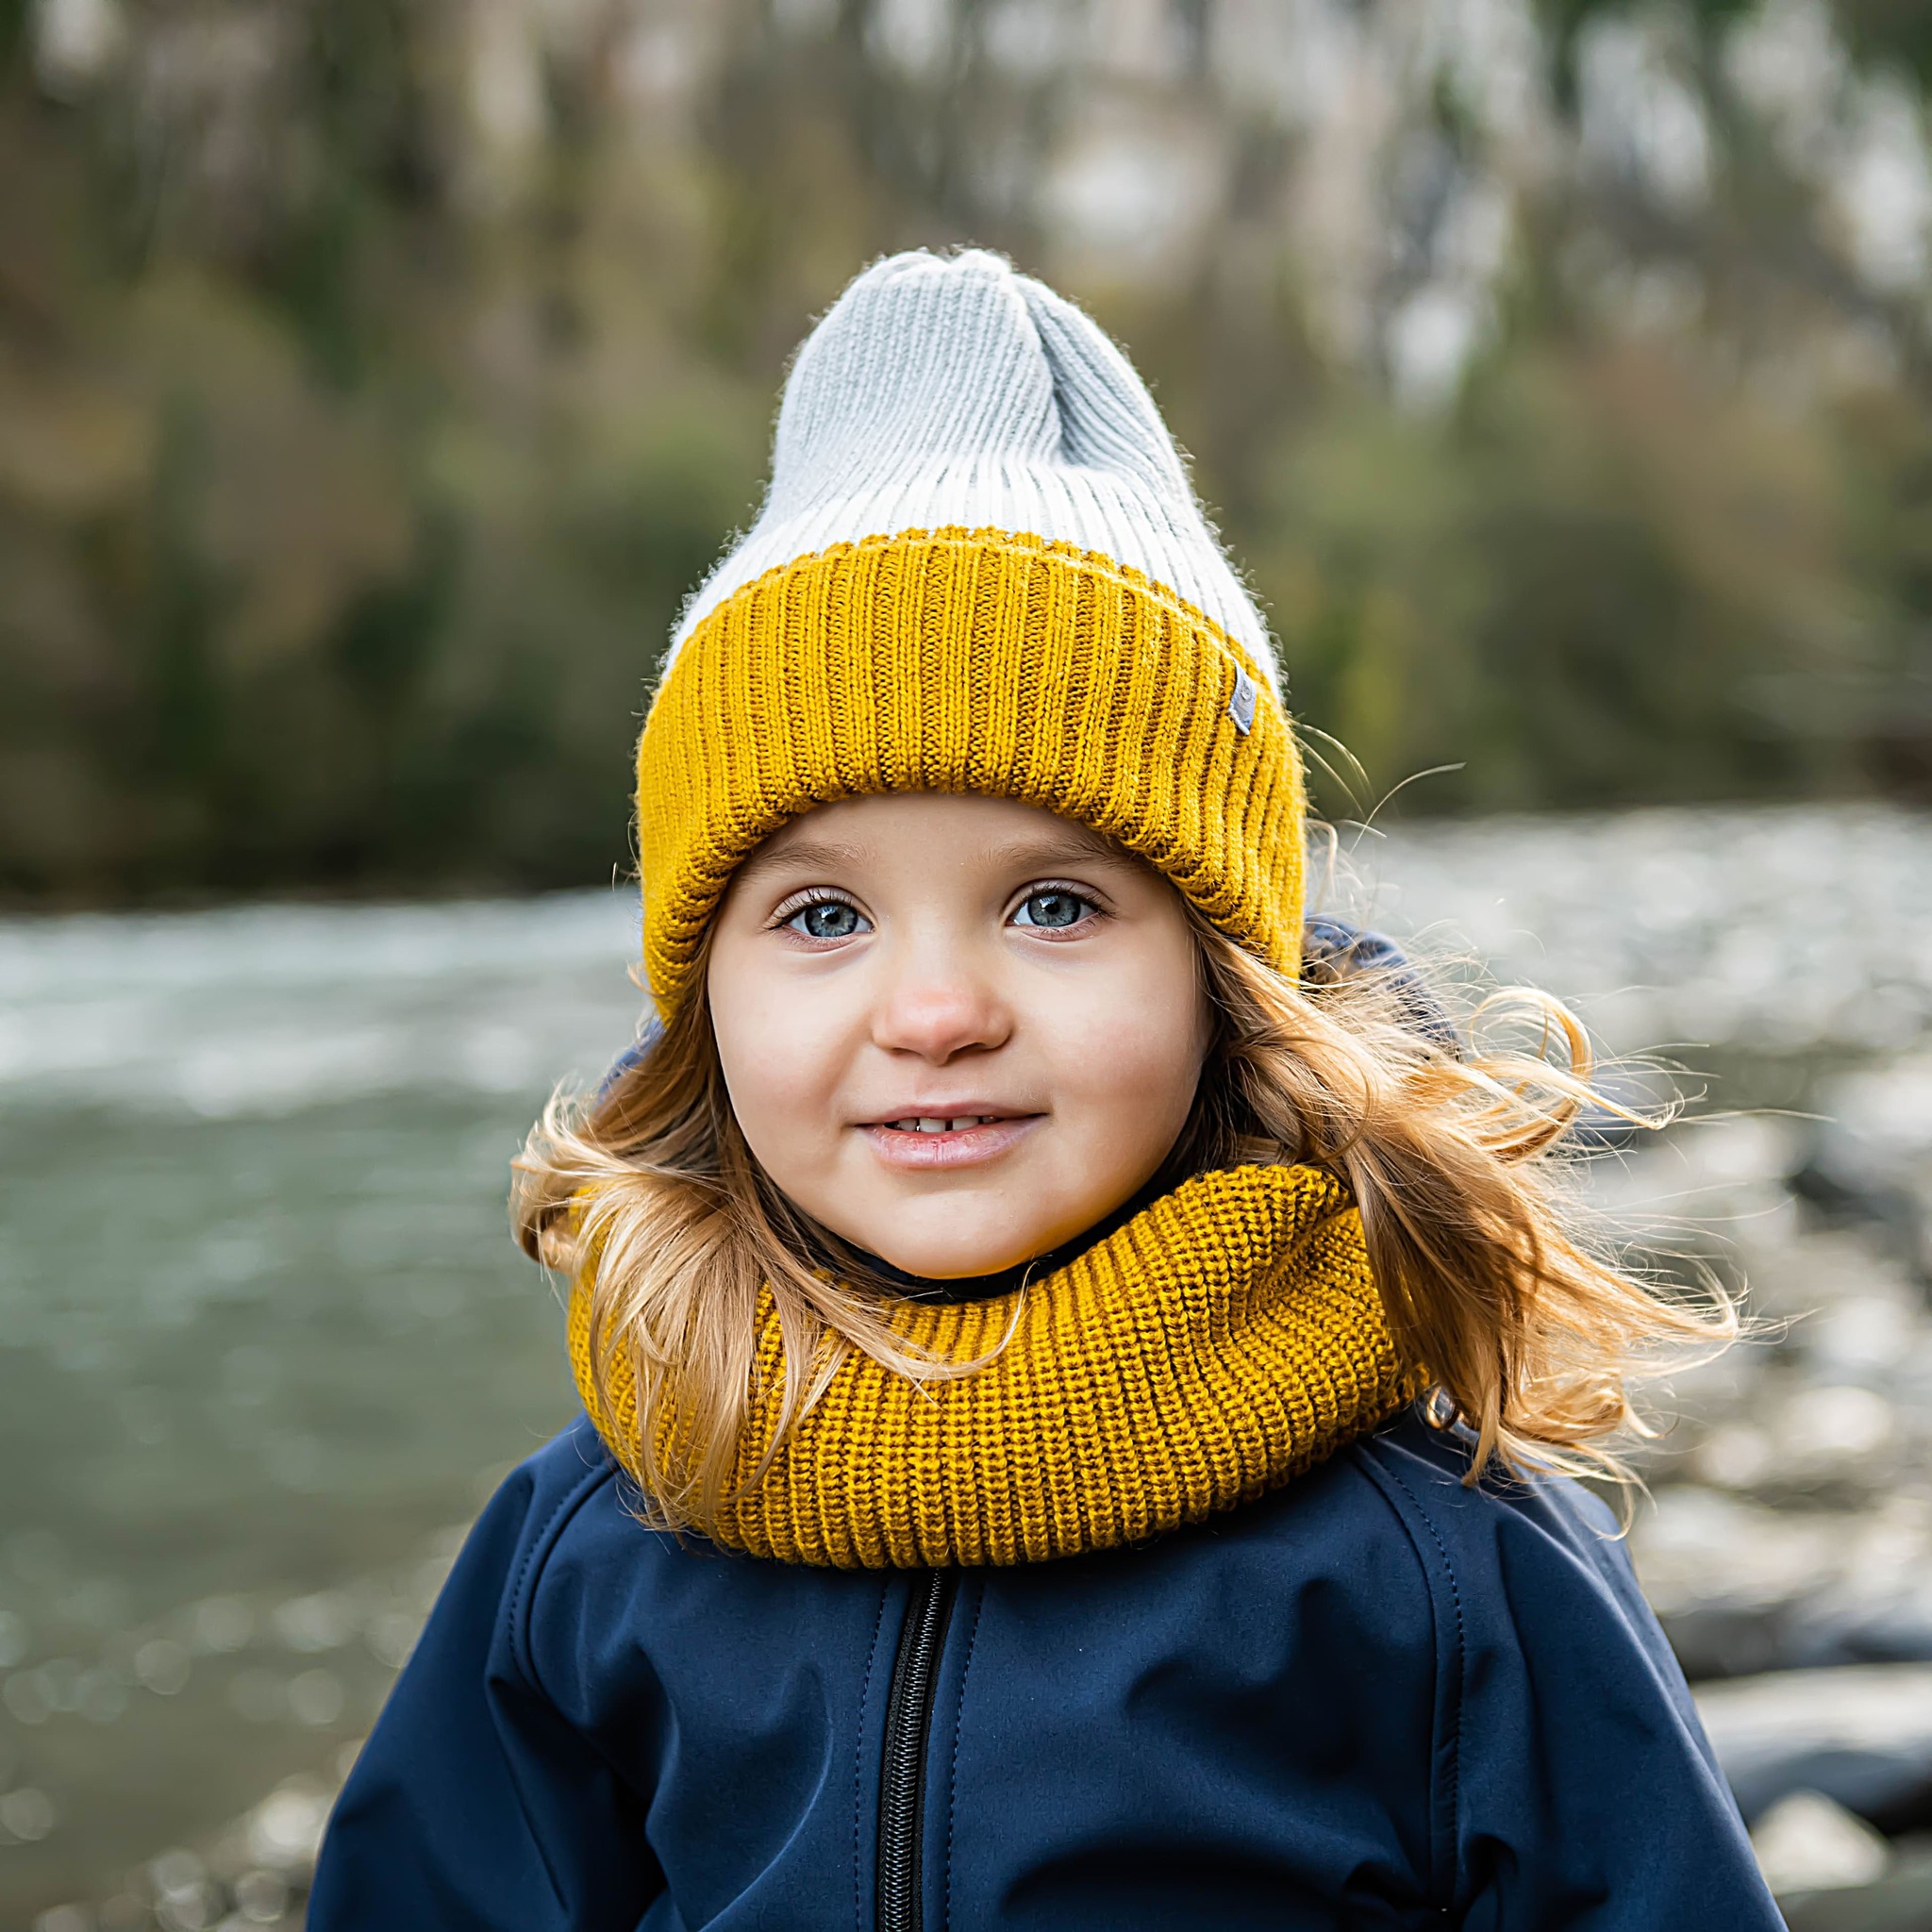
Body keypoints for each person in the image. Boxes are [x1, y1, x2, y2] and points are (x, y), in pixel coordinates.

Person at [308, 250, 1784, 1930]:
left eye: (1055, 904)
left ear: (1226, 984)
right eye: (822, 915)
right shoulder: (595, 1540)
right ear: (697, 1005)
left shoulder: (1443, 1564)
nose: (934, 1010)